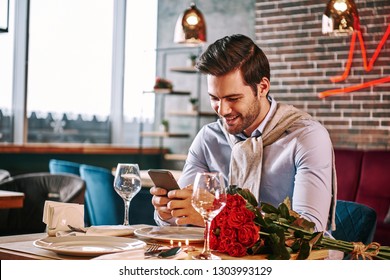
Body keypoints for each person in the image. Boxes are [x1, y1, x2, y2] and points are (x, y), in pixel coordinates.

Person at [150, 34, 336, 233]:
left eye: (233, 98)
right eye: (215, 98)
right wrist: (168, 211)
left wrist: (218, 216)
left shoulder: (306, 137)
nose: (222, 110)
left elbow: (308, 229)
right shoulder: (208, 139)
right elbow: (185, 214)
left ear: (262, 87)